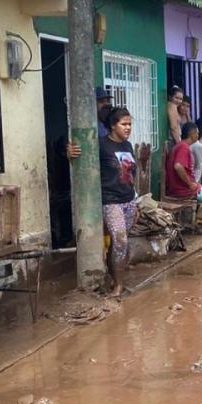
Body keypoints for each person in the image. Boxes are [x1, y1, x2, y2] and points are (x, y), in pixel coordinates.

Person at [67, 106, 137, 297]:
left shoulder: (128, 146)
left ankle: (114, 279)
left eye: (130, 124)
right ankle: (118, 286)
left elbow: (131, 176)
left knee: (118, 243)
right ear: (113, 126)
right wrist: (70, 153)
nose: (128, 128)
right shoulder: (101, 145)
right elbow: (82, 160)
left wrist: (136, 201)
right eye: (124, 124)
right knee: (120, 240)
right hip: (110, 201)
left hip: (129, 200)